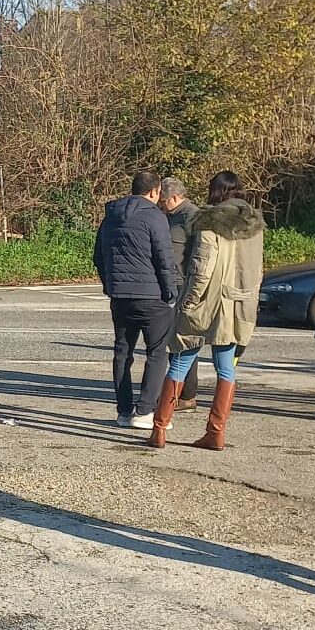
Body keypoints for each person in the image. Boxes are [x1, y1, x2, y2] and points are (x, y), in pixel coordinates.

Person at [147, 171, 265, 450]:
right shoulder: (254, 226)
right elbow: (258, 269)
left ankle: (160, 429)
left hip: (208, 302)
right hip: (239, 303)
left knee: (180, 360)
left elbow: (201, 268)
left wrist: (188, 303)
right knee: (226, 369)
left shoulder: (209, 222)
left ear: (215, 191)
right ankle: (216, 432)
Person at [94, 171, 178, 429]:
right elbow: (164, 259)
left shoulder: (110, 217)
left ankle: (124, 410)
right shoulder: (156, 217)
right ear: (154, 192)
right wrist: (170, 292)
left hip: (120, 296)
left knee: (122, 352)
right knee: (156, 352)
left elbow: (98, 256)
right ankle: (144, 411)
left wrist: (110, 285)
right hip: (152, 296)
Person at [160, 177, 201, 411]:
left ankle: (186, 394)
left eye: (163, 201)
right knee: (172, 340)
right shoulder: (170, 215)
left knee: (183, 341)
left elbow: (198, 252)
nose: (161, 206)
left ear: (174, 197)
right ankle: (179, 391)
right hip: (170, 283)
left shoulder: (190, 216)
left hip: (182, 284)